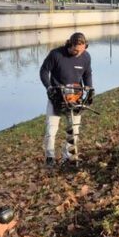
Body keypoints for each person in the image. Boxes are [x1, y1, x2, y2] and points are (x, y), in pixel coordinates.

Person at [39, 32, 95, 166]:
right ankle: (50, 157)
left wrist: (90, 89)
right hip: (57, 96)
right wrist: (48, 87)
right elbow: (43, 71)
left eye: (82, 50)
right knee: (51, 130)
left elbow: (87, 74)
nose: (78, 53)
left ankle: (67, 157)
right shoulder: (56, 54)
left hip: (75, 96)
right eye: (76, 50)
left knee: (74, 130)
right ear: (70, 44)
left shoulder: (86, 57)